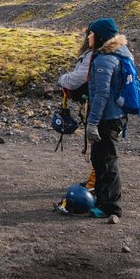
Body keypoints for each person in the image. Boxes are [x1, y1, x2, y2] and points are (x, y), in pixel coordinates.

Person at [83, 18, 134, 219]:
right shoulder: (119, 54)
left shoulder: (105, 59)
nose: (88, 37)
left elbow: (102, 94)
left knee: (107, 161)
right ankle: (104, 201)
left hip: (107, 118)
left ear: (101, 36)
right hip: (116, 116)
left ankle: (111, 207)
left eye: (92, 33)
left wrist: (92, 122)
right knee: (100, 158)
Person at [57, 30, 96, 191]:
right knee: (99, 144)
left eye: (90, 34)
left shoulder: (93, 55)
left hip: (95, 103)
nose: (87, 37)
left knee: (97, 143)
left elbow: (78, 78)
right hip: (94, 102)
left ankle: (97, 181)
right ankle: (96, 178)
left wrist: (63, 79)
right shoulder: (98, 54)